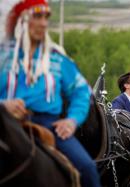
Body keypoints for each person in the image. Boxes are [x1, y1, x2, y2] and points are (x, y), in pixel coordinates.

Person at [0, 1, 101, 187]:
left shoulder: (56, 58)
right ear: (22, 21)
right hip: (4, 123)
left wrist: (72, 120)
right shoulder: (3, 57)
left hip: (48, 125)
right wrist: (3, 105)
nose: (44, 23)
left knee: (87, 168)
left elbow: (81, 91)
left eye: (46, 17)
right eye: (37, 17)